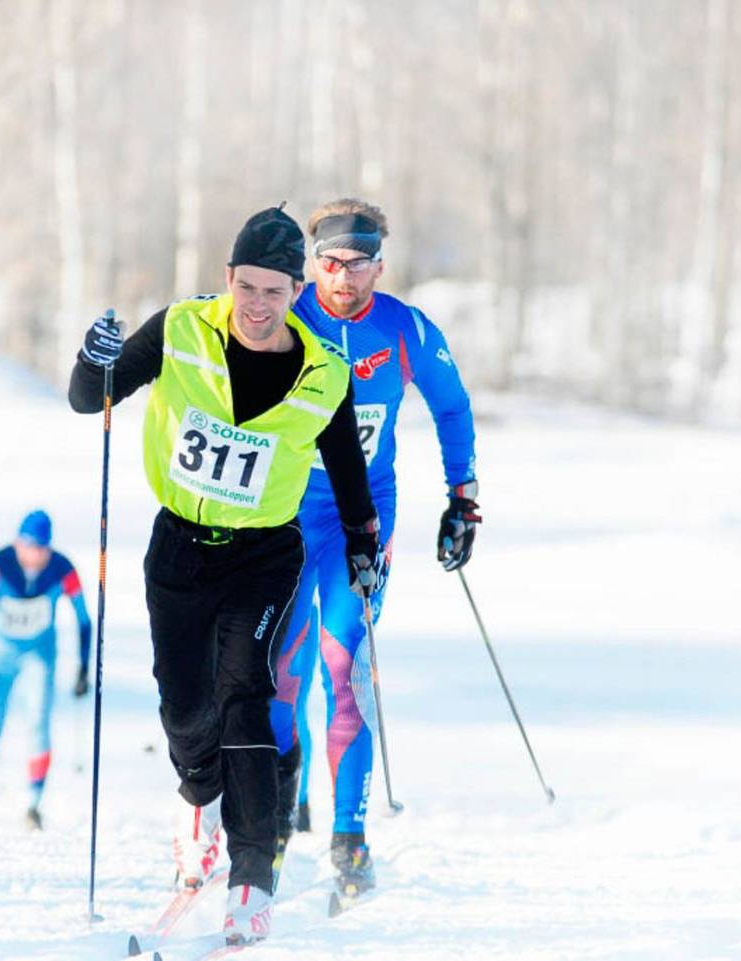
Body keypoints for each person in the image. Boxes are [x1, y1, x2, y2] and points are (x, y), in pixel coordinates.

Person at [68, 206, 382, 946]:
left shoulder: (322, 374)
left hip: (263, 557)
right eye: (247, 287)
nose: (259, 306)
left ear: (296, 291)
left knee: (246, 696)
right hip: (179, 549)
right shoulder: (180, 331)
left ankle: (251, 879)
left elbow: (348, 471)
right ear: (228, 279)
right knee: (184, 708)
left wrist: (365, 541)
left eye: (276, 291)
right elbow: (91, 397)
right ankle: (198, 799)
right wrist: (93, 357)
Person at [267, 198, 479, 902]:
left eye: (358, 265)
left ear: (379, 266)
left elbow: (451, 406)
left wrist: (463, 495)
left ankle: (349, 836)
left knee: (344, 661)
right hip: (286, 512)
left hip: (362, 518)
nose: (343, 278)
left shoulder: (405, 327)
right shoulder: (285, 317)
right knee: (280, 663)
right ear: (312, 264)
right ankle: (274, 815)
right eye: (330, 264)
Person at [0, 509, 92, 830]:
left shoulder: (62, 569)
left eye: (40, 550)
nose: (33, 557)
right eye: (28, 548)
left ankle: (33, 804)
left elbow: (84, 619)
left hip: (38, 656)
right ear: (18, 543)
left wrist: (83, 667)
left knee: (39, 724)